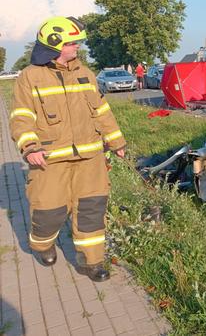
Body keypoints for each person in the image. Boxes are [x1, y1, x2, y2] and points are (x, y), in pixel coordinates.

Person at [9, 16, 126, 281]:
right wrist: (30, 146)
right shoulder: (30, 77)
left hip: (90, 158)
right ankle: (42, 245)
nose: (77, 48)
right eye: (72, 43)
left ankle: (92, 262)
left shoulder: (86, 74)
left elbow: (101, 111)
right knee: (48, 212)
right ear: (55, 45)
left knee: (92, 210)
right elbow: (21, 116)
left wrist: (117, 141)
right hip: (49, 160)